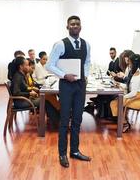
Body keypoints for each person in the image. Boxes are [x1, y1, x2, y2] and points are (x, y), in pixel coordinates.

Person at [46, 15, 91, 168]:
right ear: (67, 27)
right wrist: (64, 75)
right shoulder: (60, 44)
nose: (75, 26)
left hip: (80, 85)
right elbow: (49, 65)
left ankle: (75, 151)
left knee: (77, 119)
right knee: (64, 120)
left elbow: (87, 62)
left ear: (81, 27)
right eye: (72, 24)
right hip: (66, 85)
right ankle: (62, 153)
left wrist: (82, 76)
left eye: (77, 24)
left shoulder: (86, 44)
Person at [110, 53, 140, 132]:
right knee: (114, 102)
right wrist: (119, 84)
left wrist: (123, 97)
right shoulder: (137, 73)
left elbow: (133, 93)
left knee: (115, 103)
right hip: (136, 97)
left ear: (134, 64)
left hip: (138, 99)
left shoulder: (137, 77)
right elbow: (130, 87)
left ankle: (124, 123)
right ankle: (122, 121)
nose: (128, 65)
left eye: (130, 63)